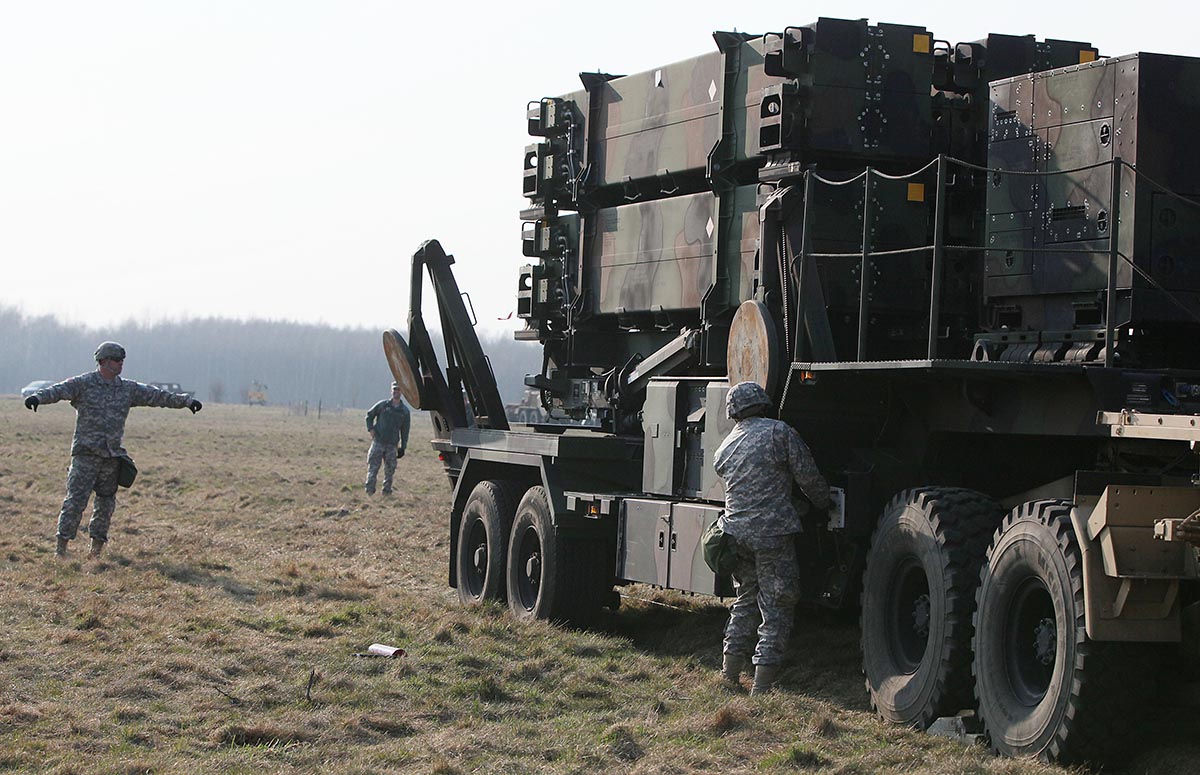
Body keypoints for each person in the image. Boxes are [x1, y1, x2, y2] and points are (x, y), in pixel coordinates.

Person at [24, 341, 202, 558]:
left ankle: (95, 552)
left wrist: (187, 402)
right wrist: (37, 398)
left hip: (111, 457)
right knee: (75, 502)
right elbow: (58, 390)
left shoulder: (127, 388)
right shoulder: (84, 383)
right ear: (104, 361)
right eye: (117, 360)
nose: (120, 364)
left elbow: (157, 396)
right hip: (86, 455)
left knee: (105, 505)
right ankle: (61, 549)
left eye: (122, 361)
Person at [713, 381, 830, 694]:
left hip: (736, 536)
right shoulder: (780, 433)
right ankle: (762, 687)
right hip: (773, 535)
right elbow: (808, 477)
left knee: (746, 600)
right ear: (762, 403)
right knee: (777, 605)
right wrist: (823, 503)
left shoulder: (725, 447)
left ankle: (729, 675)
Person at [364, 382, 410, 495]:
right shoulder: (383, 405)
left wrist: (403, 447)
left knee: (390, 471)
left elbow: (405, 430)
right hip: (378, 441)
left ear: (402, 392)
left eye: (398, 390)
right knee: (373, 468)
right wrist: (371, 429)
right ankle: (369, 491)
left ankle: (386, 492)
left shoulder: (404, 411)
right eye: (394, 390)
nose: (396, 392)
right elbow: (369, 416)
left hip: (392, 444)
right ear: (391, 391)